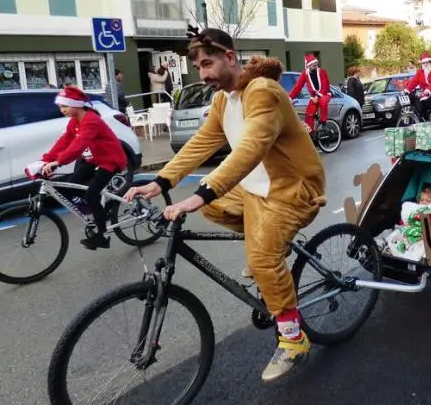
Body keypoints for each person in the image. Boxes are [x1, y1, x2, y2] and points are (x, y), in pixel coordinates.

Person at [125, 28, 327, 382]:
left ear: (230, 58)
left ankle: (293, 340)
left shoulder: (262, 92)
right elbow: (201, 144)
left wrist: (202, 190)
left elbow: (251, 150)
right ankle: (268, 246)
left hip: (291, 189)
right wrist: (161, 182)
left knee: (262, 258)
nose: (202, 74)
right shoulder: (222, 101)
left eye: (208, 63)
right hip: (255, 188)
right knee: (214, 208)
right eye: (197, 67)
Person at [42, 86, 128, 250]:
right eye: (60, 107)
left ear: (77, 104)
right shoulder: (74, 121)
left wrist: (58, 162)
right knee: (69, 188)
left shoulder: (91, 120)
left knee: (91, 193)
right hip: (94, 159)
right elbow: (64, 141)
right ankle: (97, 213)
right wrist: (46, 160)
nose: (62, 110)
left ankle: (102, 235)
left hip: (110, 160)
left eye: (65, 106)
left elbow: (78, 145)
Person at [289, 54, 331, 132]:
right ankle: (310, 133)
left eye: (316, 65)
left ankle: (323, 123)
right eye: (314, 66)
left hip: (324, 94)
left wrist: (317, 97)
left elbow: (325, 86)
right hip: (313, 97)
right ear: (309, 66)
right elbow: (298, 87)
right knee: (309, 114)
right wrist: (290, 98)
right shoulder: (305, 74)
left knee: (322, 102)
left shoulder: (322, 72)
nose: (316, 67)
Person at [404, 52, 431, 120]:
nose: (425, 64)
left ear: (430, 62)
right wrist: (408, 89)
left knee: (429, 102)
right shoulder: (420, 72)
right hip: (425, 92)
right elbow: (414, 81)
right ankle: (426, 121)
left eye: (427, 62)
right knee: (421, 106)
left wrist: (428, 90)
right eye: (423, 63)